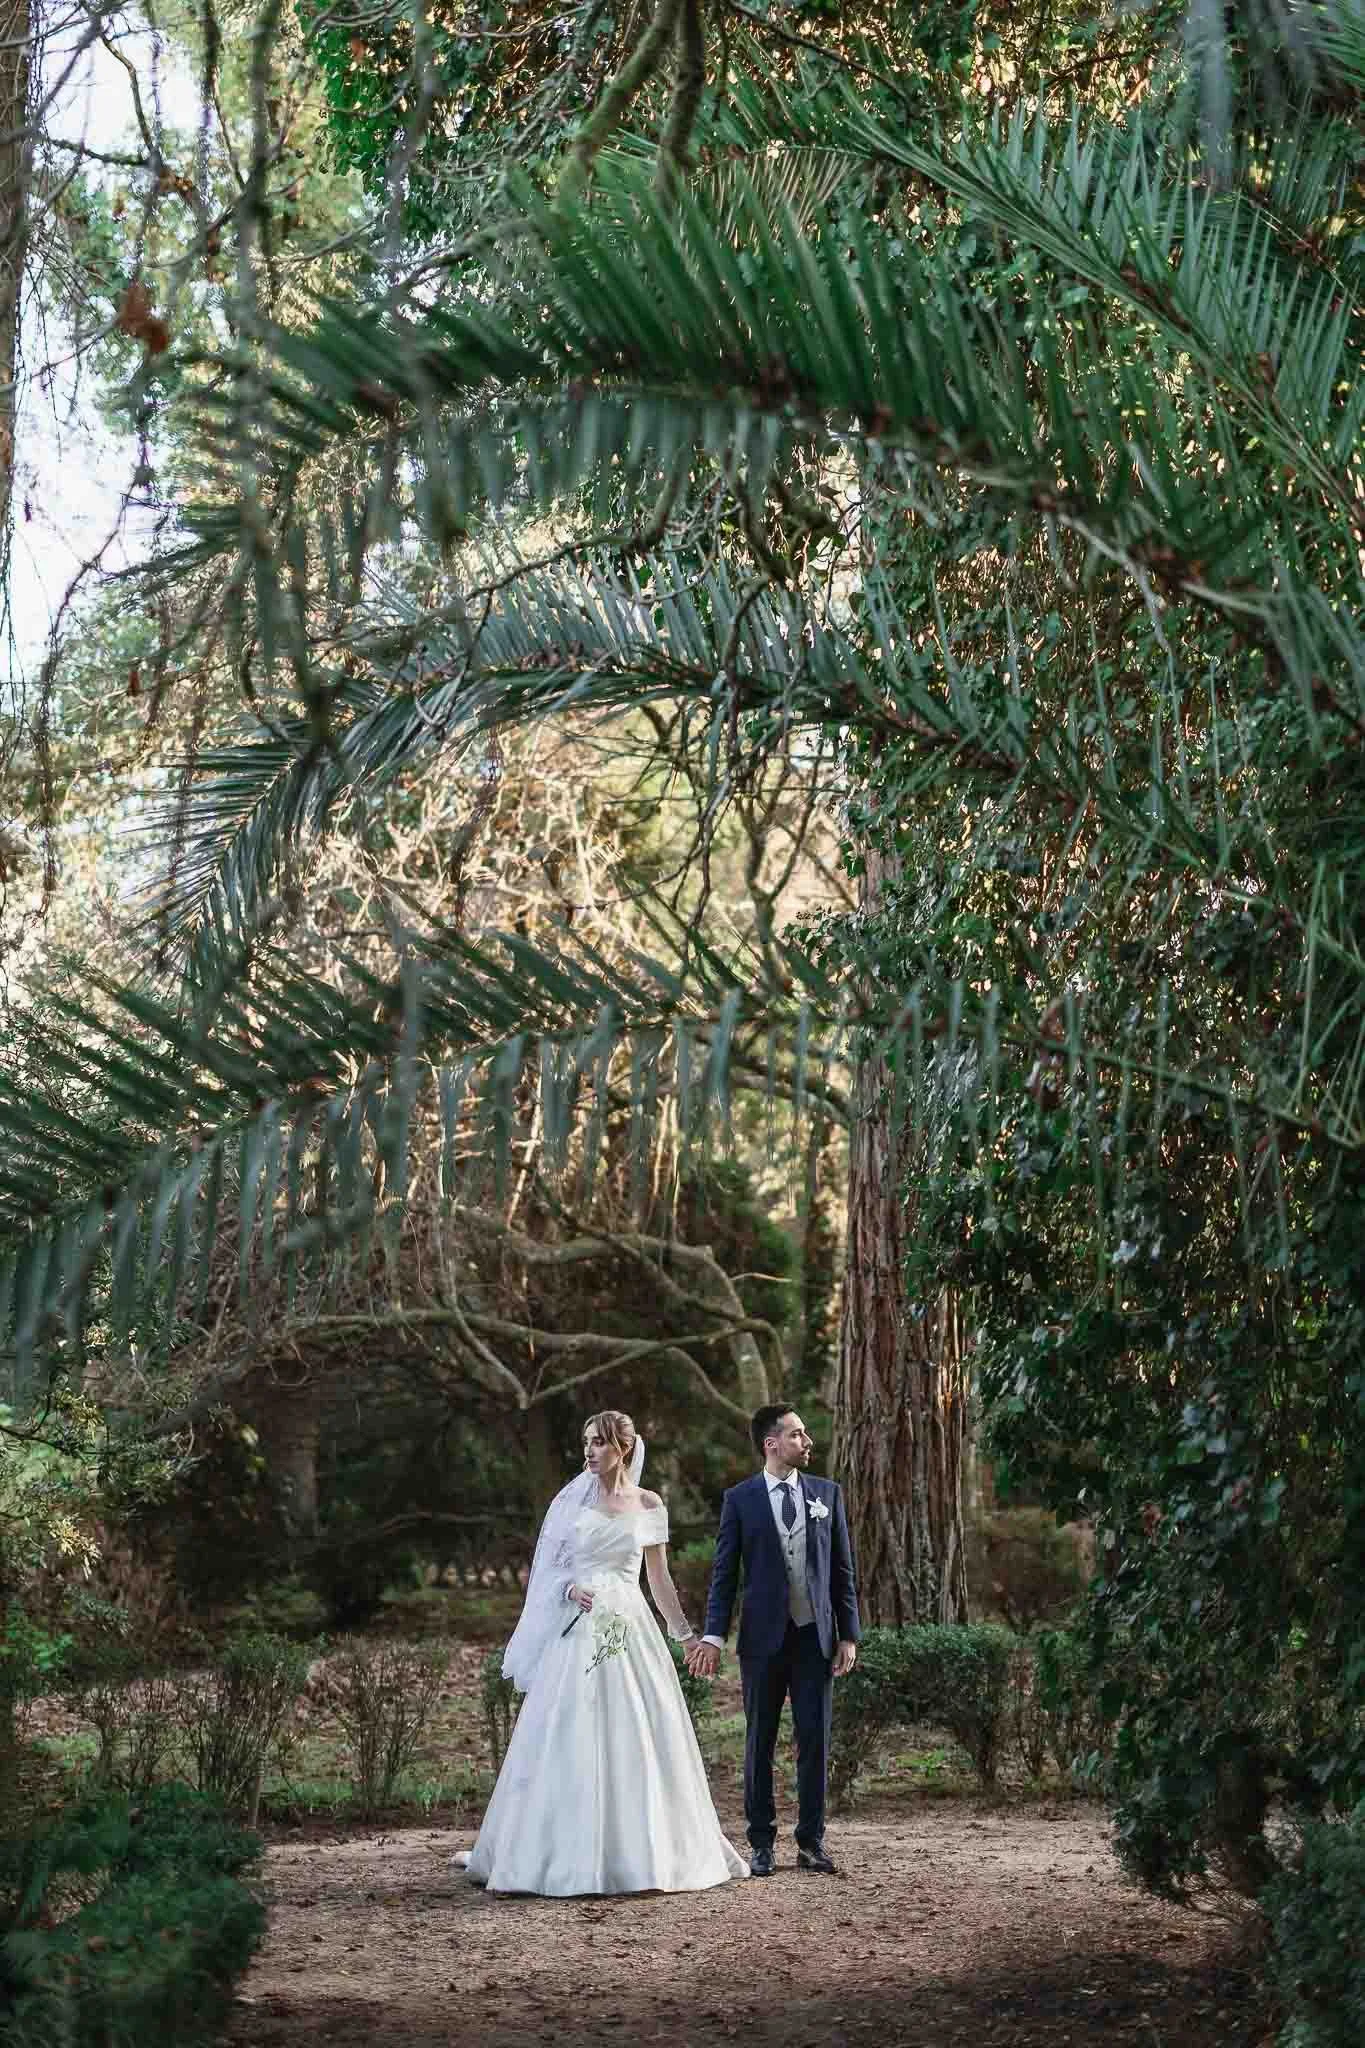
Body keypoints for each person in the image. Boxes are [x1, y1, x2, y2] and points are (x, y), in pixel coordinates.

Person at [452, 1409, 747, 1895]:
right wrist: (569, 1591)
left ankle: (641, 1853)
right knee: (570, 1731)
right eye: (586, 1442)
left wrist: (685, 1635)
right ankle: (554, 1852)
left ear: (623, 1449)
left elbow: (658, 1578)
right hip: (581, 1630)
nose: (589, 1452)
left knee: (638, 1729)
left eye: (599, 1443)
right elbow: (549, 1570)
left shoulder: (650, 1503)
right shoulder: (572, 1504)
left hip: (630, 1626)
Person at [686, 1404, 861, 1876]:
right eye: (798, 1435)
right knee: (759, 1740)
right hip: (762, 1642)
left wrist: (849, 1633)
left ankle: (811, 1842)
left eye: (804, 1435)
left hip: (815, 1639)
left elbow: (842, 1571)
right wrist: (714, 1635)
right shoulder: (739, 1500)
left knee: (814, 1740)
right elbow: (724, 1575)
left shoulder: (828, 1494)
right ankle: (760, 1843)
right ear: (772, 1443)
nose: (807, 1442)